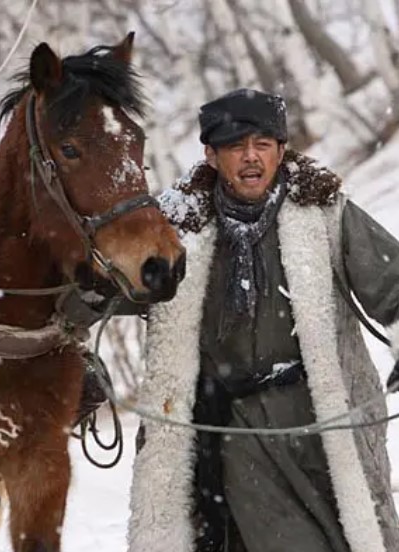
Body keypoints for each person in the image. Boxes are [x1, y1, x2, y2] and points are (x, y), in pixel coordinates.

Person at [126, 88, 399, 552]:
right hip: (237, 430)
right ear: (211, 155)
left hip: (323, 418)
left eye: (262, 145)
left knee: (361, 536)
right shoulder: (177, 229)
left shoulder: (323, 212)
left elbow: (392, 285)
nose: (250, 158)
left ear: (281, 149)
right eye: (235, 147)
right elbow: (107, 288)